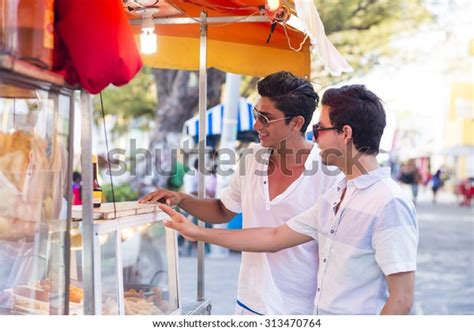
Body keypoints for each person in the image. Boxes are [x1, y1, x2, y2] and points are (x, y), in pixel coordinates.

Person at [159, 85, 418, 315]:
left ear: (345, 133)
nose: (315, 137)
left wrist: (197, 232)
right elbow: (272, 238)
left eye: (319, 129)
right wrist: (195, 230)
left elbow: (402, 299)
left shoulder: (389, 202)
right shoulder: (338, 193)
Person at [140, 71, 341, 315]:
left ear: (297, 123)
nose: (257, 125)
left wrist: (198, 233)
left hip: (303, 309)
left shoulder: (329, 170)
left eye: (266, 119)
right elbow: (223, 209)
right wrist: (181, 199)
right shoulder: (252, 157)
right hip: (250, 302)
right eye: (256, 115)